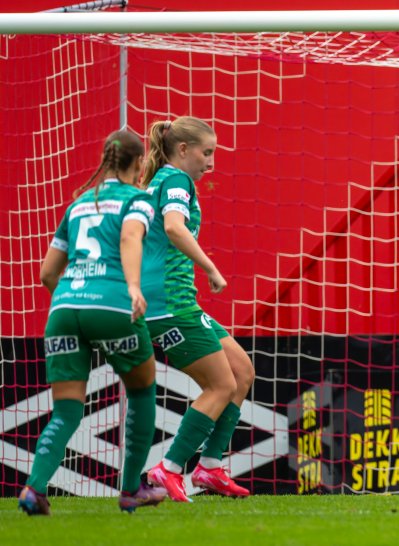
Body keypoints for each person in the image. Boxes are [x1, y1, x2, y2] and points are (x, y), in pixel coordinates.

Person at [19, 130, 167, 515]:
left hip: (64, 308)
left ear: (106, 160)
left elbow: (47, 273)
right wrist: (131, 287)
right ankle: (131, 489)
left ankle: (34, 489)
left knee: (66, 411)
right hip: (114, 305)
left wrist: (78, 303)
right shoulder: (137, 199)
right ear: (140, 163)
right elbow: (130, 237)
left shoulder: (79, 204)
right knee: (142, 391)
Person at [141, 117, 255, 501]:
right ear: (183, 149)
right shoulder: (176, 179)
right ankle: (169, 467)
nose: (211, 162)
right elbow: (174, 227)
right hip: (170, 305)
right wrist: (210, 267)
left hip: (174, 302)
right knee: (221, 385)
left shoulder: (161, 179)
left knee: (241, 372)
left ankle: (210, 466)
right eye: (207, 153)